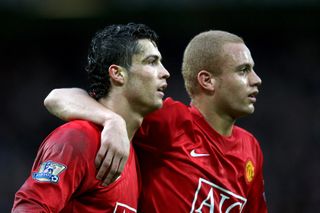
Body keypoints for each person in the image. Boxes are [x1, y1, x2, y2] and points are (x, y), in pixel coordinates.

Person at [44, 30, 267, 212]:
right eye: (243, 70)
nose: (256, 80)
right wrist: (113, 121)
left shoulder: (251, 148)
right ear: (207, 81)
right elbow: (57, 97)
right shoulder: (172, 121)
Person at [12, 22, 170, 212]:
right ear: (118, 73)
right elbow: (28, 208)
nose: (165, 72)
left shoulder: (130, 150)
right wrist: (113, 120)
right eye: (151, 62)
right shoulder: (78, 138)